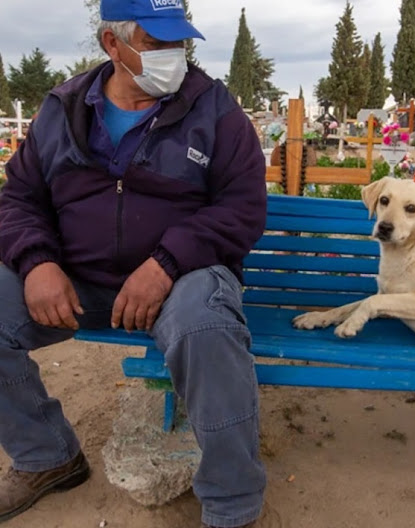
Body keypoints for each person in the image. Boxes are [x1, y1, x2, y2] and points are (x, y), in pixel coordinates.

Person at [0, 1, 267, 527]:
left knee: (207, 329)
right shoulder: (63, 108)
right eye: (155, 43)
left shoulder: (215, 111)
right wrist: (36, 262)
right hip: (76, 279)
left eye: (179, 42)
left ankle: (232, 505)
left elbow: (241, 208)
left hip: (181, 279)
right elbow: (19, 199)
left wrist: (167, 262)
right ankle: (48, 457)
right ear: (111, 43)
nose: (173, 55)